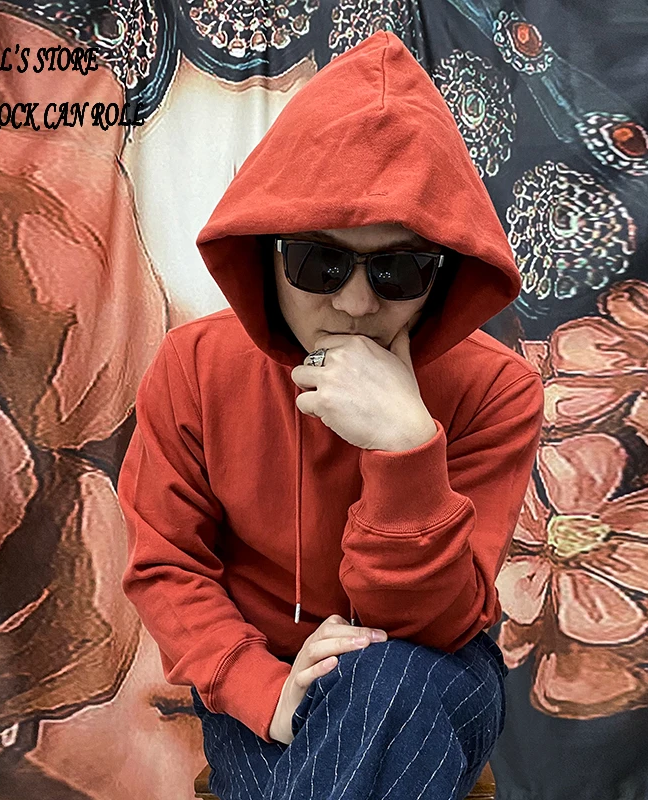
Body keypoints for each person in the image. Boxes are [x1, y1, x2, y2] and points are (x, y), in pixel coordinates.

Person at [117, 29, 544, 800]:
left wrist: (407, 449)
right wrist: (264, 690)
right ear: (265, 253)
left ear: (443, 275)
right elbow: (167, 565)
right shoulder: (194, 366)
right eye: (319, 261)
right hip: (266, 671)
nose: (353, 303)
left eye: (398, 269)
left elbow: (435, 627)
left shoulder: (496, 390)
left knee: (388, 679)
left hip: (433, 667)